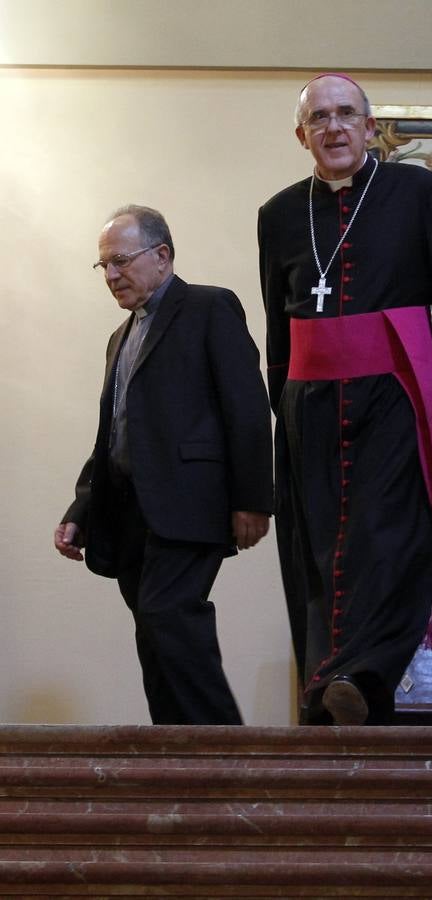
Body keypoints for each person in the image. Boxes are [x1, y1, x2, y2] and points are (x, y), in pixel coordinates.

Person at [258, 73, 432, 725]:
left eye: (345, 114)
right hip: (309, 403)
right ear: (302, 134)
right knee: (318, 543)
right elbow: (277, 329)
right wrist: (283, 413)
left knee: (392, 538)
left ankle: (364, 673)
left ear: (369, 126)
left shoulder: (416, 192)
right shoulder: (278, 213)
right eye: (319, 118)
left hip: (395, 392)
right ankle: (326, 683)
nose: (333, 127)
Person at [54, 205, 272, 724]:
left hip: (191, 504)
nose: (110, 276)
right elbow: (112, 435)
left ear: (162, 256)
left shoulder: (210, 308)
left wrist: (254, 499)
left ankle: (227, 761)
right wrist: (80, 511)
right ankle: (175, 760)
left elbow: (246, 406)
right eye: (102, 266)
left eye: (120, 262)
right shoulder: (120, 338)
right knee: (154, 636)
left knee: (168, 616)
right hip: (130, 515)